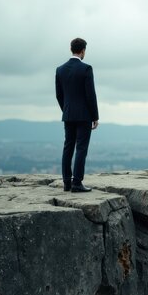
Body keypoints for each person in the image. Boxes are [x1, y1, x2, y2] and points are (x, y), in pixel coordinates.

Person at [55, 37, 99, 192]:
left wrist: (66, 110)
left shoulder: (60, 69)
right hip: (84, 116)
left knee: (68, 147)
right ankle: (77, 183)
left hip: (68, 115)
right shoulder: (86, 69)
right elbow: (90, 95)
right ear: (83, 51)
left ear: (71, 49)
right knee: (81, 148)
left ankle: (66, 182)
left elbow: (59, 95)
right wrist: (95, 116)